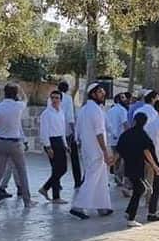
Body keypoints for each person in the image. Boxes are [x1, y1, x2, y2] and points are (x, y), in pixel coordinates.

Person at [69, 83, 115, 220]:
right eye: (100, 92)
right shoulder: (95, 111)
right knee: (92, 179)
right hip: (96, 151)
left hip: (88, 150)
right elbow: (99, 133)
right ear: (93, 94)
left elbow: (77, 132)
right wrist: (105, 151)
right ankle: (77, 206)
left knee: (101, 179)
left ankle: (102, 207)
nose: (103, 94)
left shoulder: (84, 109)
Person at [0, 84, 32, 209]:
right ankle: (27, 201)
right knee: (22, 172)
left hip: (0, 143)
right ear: (15, 93)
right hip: (15, 143)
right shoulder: (18, 106)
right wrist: (21, 90)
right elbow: (25, 99)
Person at [117, 113, 159, 226]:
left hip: (129, 165)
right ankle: (131, 218)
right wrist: (155, 166)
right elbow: (147, 151)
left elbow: (119, 149)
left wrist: (113, 162)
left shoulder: (126, 134)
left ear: (134, 121)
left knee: (140, 188)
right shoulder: (143, 135)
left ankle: (129, 212)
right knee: (140, 189)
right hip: (137, 166)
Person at [39, 90, 69, 204]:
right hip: (51, 142)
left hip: (59, 141)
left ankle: (45, 188)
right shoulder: (46, 114)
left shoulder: (61, 112)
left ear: (61, 100)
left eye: (57, 98)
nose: (55, 100)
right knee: (57, 169)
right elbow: (44, 131)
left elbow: (62, 130)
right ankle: (55, 196)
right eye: (53, 98)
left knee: (63, 168)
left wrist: (65, 144)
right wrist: (48, 147)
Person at [58, 81, 82, 190]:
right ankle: (77, 181)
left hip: (57, 132)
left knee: (58, 160)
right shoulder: (67, 98)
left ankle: (56, 182)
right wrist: (74, 132)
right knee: (74, 158)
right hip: (68, 133)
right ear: (67, 89)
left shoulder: (52, 98)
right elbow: (70, 117)